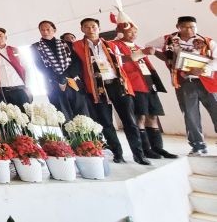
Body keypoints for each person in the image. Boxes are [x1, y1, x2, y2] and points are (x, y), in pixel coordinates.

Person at [73, 18, 148, 165]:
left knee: (130, 121)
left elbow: (121, 62)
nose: (90, 29)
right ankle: (117, 153)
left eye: (93, 26)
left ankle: (139, 155)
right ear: (82, 29)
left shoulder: (111, 44)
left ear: (99, 28)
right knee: (106, 123)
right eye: (86, 27)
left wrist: (142, 53)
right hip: (96, 87)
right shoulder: (77, 46)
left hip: (117, 84)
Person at [149, 16, 217, 156]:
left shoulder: (207, 41)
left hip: (207, 81)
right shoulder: (168, 39)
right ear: (178, 27)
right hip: (184, 82)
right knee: (190, 115)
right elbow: (148, 46)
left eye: (193, 27)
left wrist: (203, 69)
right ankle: (198, 146)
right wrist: (158, 53)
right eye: (185, 27)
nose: (190, 30)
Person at [113, 23, 176, 159]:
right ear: (119, 32)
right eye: (130, 32)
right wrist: (142, 53)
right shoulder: (115, 45)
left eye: (135, 32)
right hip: (134, 84)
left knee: (153, 115)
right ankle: (145, 149)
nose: (133, 34)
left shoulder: (137, 46)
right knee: (140, 116)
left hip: (148, 82)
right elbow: (118, 60)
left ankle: (158, 148)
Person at [31, 20, 89, 120]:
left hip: (73, 81)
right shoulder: (35, 47)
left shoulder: (66, 43)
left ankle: (89, 135)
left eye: (48, 29)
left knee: (81, 112)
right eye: (42, 30)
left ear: (54, 30)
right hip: (53, 83)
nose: (45, 32)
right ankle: (69, 135)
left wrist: (67, 75)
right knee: (63, 115)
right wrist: (59, 78)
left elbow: (76, 61)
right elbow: (39, 66)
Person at [0, 28, 31, 106]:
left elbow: (27, 67)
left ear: (6, 37)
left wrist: (28, 86)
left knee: (25, 115)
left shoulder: (16, 50)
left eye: (0, 35)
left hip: (19, 88)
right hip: (1, 91)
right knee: (6, 117)